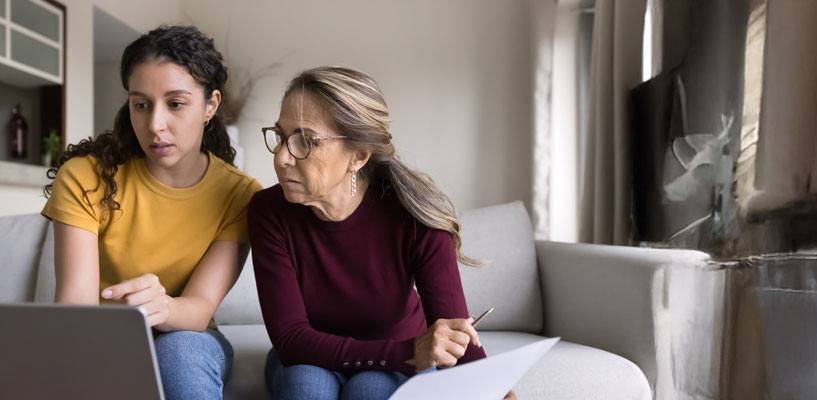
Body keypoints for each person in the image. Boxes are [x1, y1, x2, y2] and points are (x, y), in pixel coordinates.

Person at [249, 66, 515, 400]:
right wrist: (407, 351)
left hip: (393, 364)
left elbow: (454, 333)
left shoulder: (415, 215)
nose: (283, 157)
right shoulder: (268, 211)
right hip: (309, 357)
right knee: (306, 387)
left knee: (370, 391)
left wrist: (492, 389)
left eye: (305, 141)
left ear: (358, 156)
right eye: (281, 136)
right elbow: (290, 339)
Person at [41, 25, 261, 400]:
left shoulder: (240, 195)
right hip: (98, 335)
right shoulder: (85, 176)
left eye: (176, 104)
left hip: (189, 337)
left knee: (176, 351)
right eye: (141, 104)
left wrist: (160, 307)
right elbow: (75, 309)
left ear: (211, 105)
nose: (154, 125)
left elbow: (198, 309)